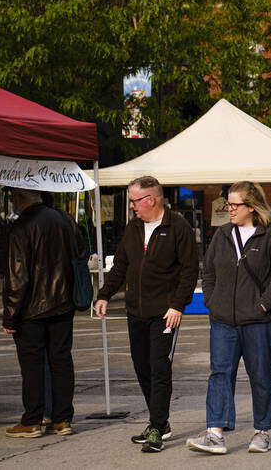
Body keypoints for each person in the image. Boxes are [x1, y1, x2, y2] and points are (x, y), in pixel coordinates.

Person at [96, 176, 199, 453]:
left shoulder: (178, 227)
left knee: (158, 367)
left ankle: (157, 424)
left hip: (165, 312)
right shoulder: (133, 228)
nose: (132, 206)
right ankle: (160, 422)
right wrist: (104, 294)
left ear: (150, 199)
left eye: (134, 201)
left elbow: (190, 270)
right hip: (136, 311)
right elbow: (120, 266)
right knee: (142, 366)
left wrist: (178, 305)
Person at [187, 182, 271, 455]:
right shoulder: (222, 234)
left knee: (260, 375)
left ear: (252, 206)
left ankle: (262, 431)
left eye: (235, 205)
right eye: (228, 204)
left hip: (258, 320)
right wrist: (211, 300)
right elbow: (208, 272)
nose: (229, 209)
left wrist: (264, 305)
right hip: (223, 318)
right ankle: (215, 433)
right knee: (220, 373)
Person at [3, 188, 79, 439]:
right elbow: (78, 256)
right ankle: (62, 419)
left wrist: (10, 315)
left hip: (31, 309)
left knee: (32, 365)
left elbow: (18, 276)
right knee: (61, 360)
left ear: (20, 198)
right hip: (63, 302)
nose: (12, 200)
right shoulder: (64, 219)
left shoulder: (21, 226)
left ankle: (32, 419)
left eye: (13, 196)